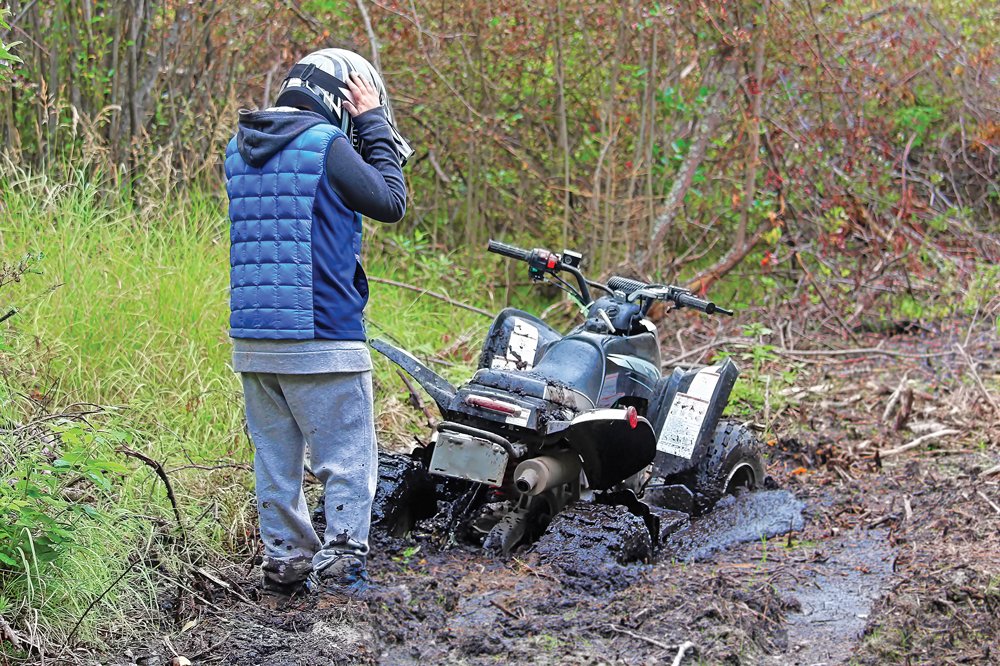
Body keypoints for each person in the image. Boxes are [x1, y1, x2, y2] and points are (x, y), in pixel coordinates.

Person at [224, 48, 411, 599]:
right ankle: (343, 569)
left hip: (254, 340)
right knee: (347, 460)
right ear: (339, 100)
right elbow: (390, 200)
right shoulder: (325, 145)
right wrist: (372, 121)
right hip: (322, 335)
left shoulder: (237, 149)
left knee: (276, 463)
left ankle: (285, 561)